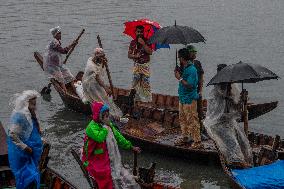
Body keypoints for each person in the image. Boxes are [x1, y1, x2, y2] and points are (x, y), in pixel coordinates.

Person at [81, 101, 141, 189]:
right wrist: (106, 126)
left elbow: (119, 137)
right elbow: (100, 137)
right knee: (106, 173)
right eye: (105, 116)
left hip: (105, 155)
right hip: (94, 158)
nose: (107, 117)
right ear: (99, 116)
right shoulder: (91, 127)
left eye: (107, 115)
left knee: (117, 170)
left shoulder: (107, 125)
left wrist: (131, 147)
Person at [204, 64, 253, 168]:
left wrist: (242, 100)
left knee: (243, 142)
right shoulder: (215, 93)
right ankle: (236, 162)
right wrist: (229, 99)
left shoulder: (232, 88)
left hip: (230, 122)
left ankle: (247, 161)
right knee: (233, 144)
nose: (230, 84)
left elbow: (236, 108)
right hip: (217, 124)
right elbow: (217, 114)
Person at [7, 90, 44, 189]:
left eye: (35, 104)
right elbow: (12, 134)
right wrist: (25, 147)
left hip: (32, 151)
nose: (34, 106)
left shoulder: (31, 113)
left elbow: (34, 128)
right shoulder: (20, 116)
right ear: (25, 104)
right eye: (32, 104)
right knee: (26, 175)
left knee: (32, 171)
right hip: (22, 152)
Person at [82, 48, 122, 118]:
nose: (102, 58)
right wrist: (106, 88)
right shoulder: (91, 66)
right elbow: (97, 78)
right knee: (99, 99)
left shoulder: (97, 60)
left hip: (96, 82)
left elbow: (100, 68)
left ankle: (107, 112)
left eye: (103, 56)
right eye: (100, 56)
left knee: (105, 96)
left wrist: (104, 62)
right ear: (96, 56)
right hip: (90, 84)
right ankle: (101, 114)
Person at [174, 48, 201, 148]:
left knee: (192, 120)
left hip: (190, 98)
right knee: (182, 118)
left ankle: (197, 141)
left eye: (179, 57)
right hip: (182, 97)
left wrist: (179, 78)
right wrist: (178, 73)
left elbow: (190, 85)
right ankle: (185, 137)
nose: (178, 59)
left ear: (182, 58)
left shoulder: (192, 70)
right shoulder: (184, 67)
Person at [44, 26, 77, 94]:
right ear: (55, 35)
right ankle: (66, 93)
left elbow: (63, 51)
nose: (60, 35)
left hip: (58, 64)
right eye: (59, 33)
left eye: (60, 33)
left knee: (69, 75)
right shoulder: (54, 42)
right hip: (52, 66)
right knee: (61, 79)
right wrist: (72, 44)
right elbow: (63, 51)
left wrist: (72, 45)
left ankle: (76, 91)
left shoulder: (57, 41)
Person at [128, 25, 153, 103]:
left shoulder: (148, 41)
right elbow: (129, 55)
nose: (140, 33)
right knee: (135, 84)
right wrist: (135, 56)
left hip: (145, 66)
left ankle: (147, 101)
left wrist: (143, 44)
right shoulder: (133, 42)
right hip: (137, 65)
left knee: (146, 84)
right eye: (138, 32)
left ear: (143, 32)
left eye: (141, 32)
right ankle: (134, 100)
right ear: (135, 32)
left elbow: (150, 52)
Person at [186, 45, 205, 129]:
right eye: (192, 52)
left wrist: (200, 91)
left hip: (197, 90)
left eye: (195, 52)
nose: (194, 54)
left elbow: (201, 78)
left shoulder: (197, 63)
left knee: (199, 111)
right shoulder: (184, 64)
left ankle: (200, 129)